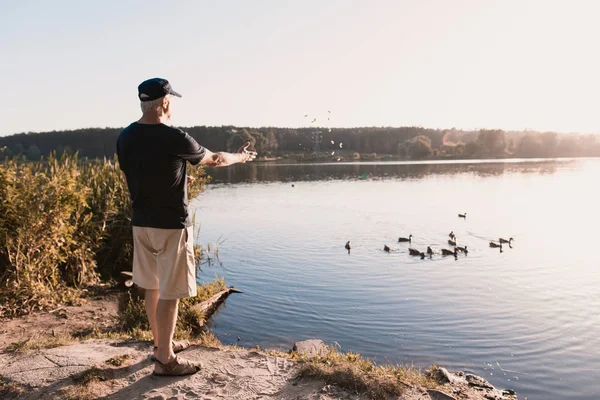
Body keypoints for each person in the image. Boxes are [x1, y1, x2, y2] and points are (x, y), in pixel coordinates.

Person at [116, 77, 256, 376]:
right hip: (170, 225)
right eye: (172, 100)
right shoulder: (175, 137)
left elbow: (143, 172)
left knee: (152, 287)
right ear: (165, 103)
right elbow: (215, 159)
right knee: (171, 291)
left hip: (141, 224)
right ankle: (165, 361)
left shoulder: (125, 136)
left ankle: (160, 344)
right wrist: (241, 157)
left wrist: (178, 179)